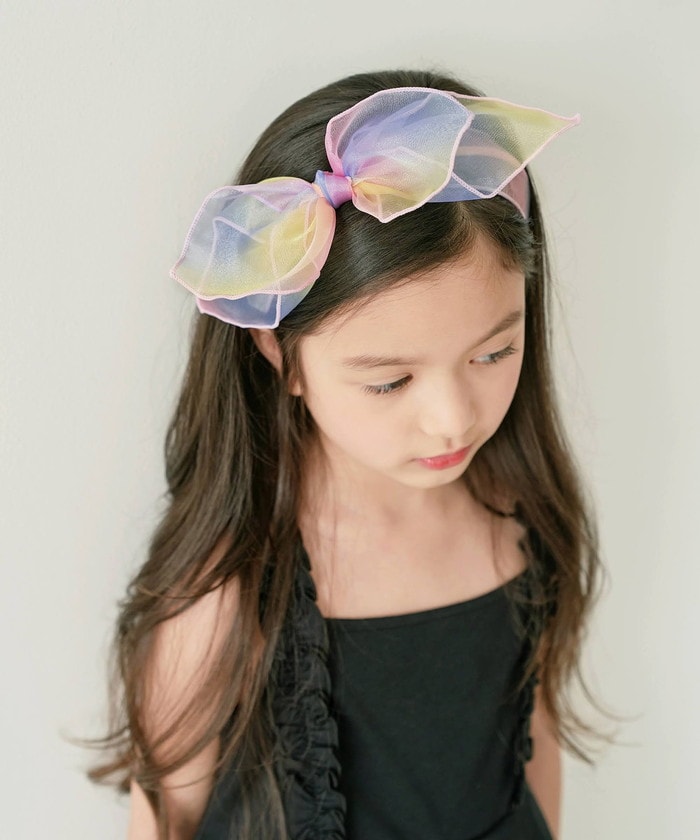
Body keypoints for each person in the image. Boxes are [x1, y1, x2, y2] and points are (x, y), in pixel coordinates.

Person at [88, 68, 604, 840]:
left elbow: (534, 749)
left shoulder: (518, 520)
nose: (453, 420)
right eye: (390, 381)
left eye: (494, 353)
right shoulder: (230, 588)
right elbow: (166, 816)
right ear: (279, 353)